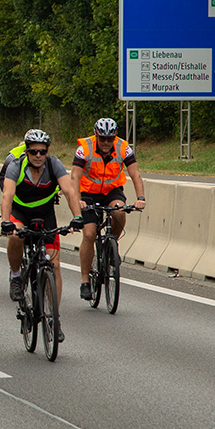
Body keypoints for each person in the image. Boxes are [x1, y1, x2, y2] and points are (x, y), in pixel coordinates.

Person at [0, 129, 83, 343]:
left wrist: (77, 217)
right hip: (20, 213)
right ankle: (16, 275)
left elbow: (69, 190)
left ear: (47, 152)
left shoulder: (53, 165)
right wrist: (5, 221)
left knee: (54, 266)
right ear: (27, 151)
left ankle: (54, 319)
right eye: (34, 151)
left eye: (42, 151)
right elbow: (7, 194)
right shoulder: (16, 167)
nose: (38, 155)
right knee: (16, 237)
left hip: (45, 215)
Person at [72, 118, 146, 301]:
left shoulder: (123, 148)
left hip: (112, 191)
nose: (106, 143)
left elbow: (135, 173)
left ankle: (112, 243)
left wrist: (140, 198)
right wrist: (77, 200)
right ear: (96, 135)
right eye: (102, 138)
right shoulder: (84, 149)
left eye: (109, 139)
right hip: (87, 193)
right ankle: (84, 281)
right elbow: (74, 177)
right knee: (89, 234)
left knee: (120, 211)